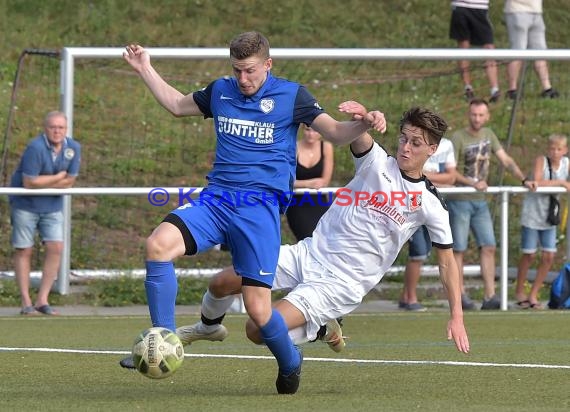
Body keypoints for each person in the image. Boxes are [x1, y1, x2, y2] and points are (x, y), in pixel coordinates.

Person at [120, 32, 386, 395]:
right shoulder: (221, 91)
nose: (243, 79)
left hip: (259, 209)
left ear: (268, 65)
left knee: (258, 311)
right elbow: (178, 105)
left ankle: (291, 361)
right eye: (237, 70)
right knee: (157, 245)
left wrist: (364, 124)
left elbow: (337, 134)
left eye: (250, 71)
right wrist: (145, 68)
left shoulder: (292, 96)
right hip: (216, 201)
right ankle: (162, 339)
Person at [143, 104, 471, 365]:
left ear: (432, 149)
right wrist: (362, 119)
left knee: (256, 329)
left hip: (341, 283)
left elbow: (446, 264)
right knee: (222, 282)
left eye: (416, 143)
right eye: (403, 138)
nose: (406, 147)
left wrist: (456, 316)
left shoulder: (429, 203)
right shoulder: (376, 162)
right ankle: (207, 328)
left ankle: (321, 329)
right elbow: (356, 137)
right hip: (309, 253)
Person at [447, 98, 536, 310]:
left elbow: (506, 160)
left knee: (489, 246)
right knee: (458, 249)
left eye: (481, 115)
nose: (477, 118)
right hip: (460, 200)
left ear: (487, 116)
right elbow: (451, 172)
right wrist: (472, 182)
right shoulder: (457, 137)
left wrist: (524, 179)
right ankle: (460, 295)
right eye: (474, 114)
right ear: (468, 115)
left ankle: (490, 296)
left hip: (480, 201)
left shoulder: (489, 135)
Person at [9, 111, 81, 316]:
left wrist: (49, 181)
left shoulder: (73, 148)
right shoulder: (35, 147)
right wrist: (58, 177)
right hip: (26, 205)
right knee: (24, 250)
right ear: (45, 128)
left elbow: (70, 181)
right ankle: (26, 302)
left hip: (52, 206)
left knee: (55, 247)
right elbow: (29, 182)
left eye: (61, 127)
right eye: (53, 127)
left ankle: (43, 300)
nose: (57, 131)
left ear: (65, 129)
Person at [399, 137, 457, 312]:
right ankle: (410, 297)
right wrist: (426, 178)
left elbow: (451, 176)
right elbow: (410, 172)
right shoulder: (411, 143)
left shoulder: (447, 144)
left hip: (434, 202)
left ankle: (406, 296)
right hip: (413, 201)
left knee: (433, 252)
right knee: (417, 252)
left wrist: (425, 177)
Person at [515, 134, 570, 309]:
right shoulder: (542, 161)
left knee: (549, 256)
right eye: (552, 148)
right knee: (529, 254)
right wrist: (561, 182)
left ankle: (534, 293)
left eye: (559, 149)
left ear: (565, 151)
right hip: (533, 214)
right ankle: (519, 291)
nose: (555, 152)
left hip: (549, 216)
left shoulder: (566, 163)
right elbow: (538, 181)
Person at [286, 124, 334, 241]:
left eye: (315, 130)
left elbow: (325, 180)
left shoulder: (326, 147)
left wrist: (310, 183)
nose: (311, 134)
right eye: (308, 130)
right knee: (306, 238)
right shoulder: (293, 147)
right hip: (297, 203)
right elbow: (286, 181)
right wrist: (308, 184)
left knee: (323, 240)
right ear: (303, 130)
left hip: (319, 202)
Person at [504, 0, 559, 99]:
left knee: (540, 52)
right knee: (518, 52)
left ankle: (547, 88)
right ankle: (512, 89)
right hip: (517, 10)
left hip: (536, 11)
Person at [449, 0, 500, 102]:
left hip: (480, 7)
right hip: (460, 6)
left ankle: (495, 89)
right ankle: (468, 88)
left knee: (489, 47)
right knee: (464, 48)